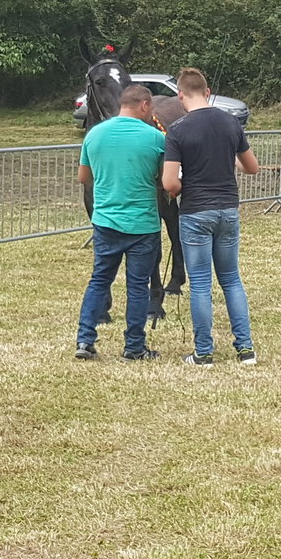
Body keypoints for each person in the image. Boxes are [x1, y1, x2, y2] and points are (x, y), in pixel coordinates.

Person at [161, 66, 260, 366]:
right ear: (207, 92)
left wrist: (179, 187)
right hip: (228, 209)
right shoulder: (230, 122)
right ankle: (245, 349)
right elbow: (251, 167)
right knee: (231, 279)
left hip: (195, 213)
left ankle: (203, 352)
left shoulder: (176, 130)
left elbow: (169, 183)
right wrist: (228, 161)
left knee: (201, 284)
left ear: (180, 96)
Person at [75, 83, 167, 362]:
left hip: (105, 220)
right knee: (137, 286)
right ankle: (134, 347)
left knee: (99, 279)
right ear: (144, 105)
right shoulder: (155, 138)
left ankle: (84, 339)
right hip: (143, 224)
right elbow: (164, 181)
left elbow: (83, 177)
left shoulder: (94, 134)